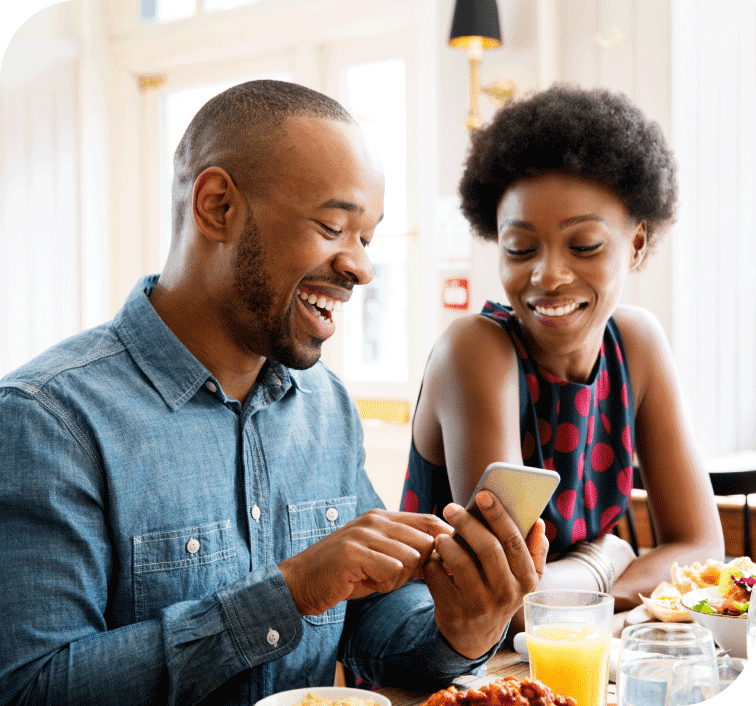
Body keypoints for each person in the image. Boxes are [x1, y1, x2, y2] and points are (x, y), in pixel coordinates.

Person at [0, 80, 548, 705]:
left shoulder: (326, 406)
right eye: (333, 226)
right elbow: (29, 689)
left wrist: (464, 627)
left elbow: (372, 627)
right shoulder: (46, 420)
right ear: (217, 207)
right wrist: (287, 594)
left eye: (366, 239)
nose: (362, 267)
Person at [401, 84, 724, 634]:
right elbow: (500, 594)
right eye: (520, 248)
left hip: (565, 647)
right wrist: (608, 560)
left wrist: (583, 584)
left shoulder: (637, 345)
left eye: (585, 246)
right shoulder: (475, 352)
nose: (547, 275)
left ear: (638, 245)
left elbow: (701, 550)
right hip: (436, 659)